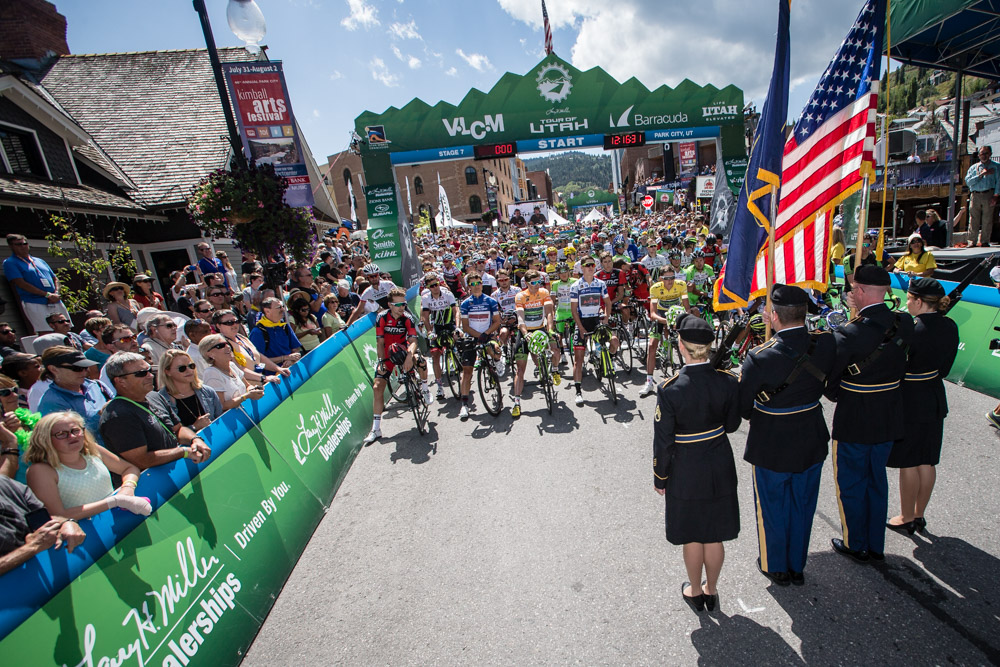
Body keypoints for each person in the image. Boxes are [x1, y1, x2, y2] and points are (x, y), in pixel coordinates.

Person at [737, 285, 837, 586]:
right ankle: (796, 565)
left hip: (772, 436)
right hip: (810, 431)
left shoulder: (759, 356)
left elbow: (744, 406)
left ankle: (775, 565)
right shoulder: (827, 343)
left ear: (774, 316)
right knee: (802, 504)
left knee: (772, 505)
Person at [824, 265, 913, 563]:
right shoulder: (904, 323)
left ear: (860, 291)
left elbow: (832, 383)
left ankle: (855, 542)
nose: (850, 294)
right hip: (889, 411)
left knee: (851, 482)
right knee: (876, 480)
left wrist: (839, 393)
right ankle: (875, 543)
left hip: (855, 414)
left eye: (852, 289)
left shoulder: (851, 333)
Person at [652, 314, 741, 612]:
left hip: (685, 469)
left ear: (681, 346)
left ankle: (694, 590)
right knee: (713, 535)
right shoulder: (728, 381)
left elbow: (663, 440)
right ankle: (711, 590)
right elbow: (731, 425)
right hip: (719, 465)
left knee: (692, 535)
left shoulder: (671, 388)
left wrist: (660, 477)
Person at [886, 278, 959, 534]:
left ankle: (906, 516)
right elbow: (946, 368)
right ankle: (919, 514)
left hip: (910, 397)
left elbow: (897, 366)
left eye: (908, 298)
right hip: (934, 395)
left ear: (918, 301)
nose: (907, 303)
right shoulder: (950, 326)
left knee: (909, 461)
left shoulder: (913, 329)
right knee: (927, 461)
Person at [24, 411, 151, 520]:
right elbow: (57, 515)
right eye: (61, 434)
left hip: (116, 521)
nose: (72, 436)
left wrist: (128, 487)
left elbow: (129, 468)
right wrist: (114, 501)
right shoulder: (40, 471)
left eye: (75, 430)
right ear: (45, 439)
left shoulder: (93, 450)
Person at [99, 351, 211, 470]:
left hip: (175, 472)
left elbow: (177, 429)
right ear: (121, 381)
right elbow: (142, 461)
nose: (151, 376)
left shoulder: (154, 396)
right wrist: (183, 452)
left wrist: (195, 439)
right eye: (142, 373)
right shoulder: (118, 416)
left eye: (149, 370)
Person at [362, 288, 430, 445]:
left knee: (421, 362)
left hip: (405, 349)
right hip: (387, 354)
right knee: (377, 387)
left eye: (404, 303)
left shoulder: (407, 318)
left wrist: (409, 356)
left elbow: (413, 341)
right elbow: (379, 342)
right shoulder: (382, 317)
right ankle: (376, 429)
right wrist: (381, 361)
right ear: (389, 305)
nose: (402, 307)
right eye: (398, 304)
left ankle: (425, 388)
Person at [0, 473, 86, 575]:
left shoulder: (5, 484)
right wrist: (31, 547)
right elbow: (36, 543)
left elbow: (45, 519)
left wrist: (66, 522)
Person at [569, 258, 616, 407]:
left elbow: (608, 303)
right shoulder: (576, 285)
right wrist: (581, 329)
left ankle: (609, 359)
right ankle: (578, 391)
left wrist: (606, 319)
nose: (590, 267)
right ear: (581, 268)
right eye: (587, 265)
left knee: (614, 340)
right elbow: (573, 310)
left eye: (592, 265)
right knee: (579, 359)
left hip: (596, 320)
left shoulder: (600, 283)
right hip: (582, 321)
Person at [3, 234, 71, 335]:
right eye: (18, 244)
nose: (23, 246)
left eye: (25, 243)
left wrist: (56, 293)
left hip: (54, 300)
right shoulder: (10, 262)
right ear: (11, 246)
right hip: (35, 301)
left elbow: (54, 278)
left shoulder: (39, 260)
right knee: (46, 331)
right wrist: (47, 294)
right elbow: (20, 283)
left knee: (66, 327)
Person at [36, 347, 107, 442]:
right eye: (77, 368)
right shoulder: (52, 402)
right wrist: (101, 415)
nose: (84, 372)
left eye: (85, 367)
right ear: (53, 369)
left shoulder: (97, 385)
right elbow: (67, 440)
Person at [513, 270, 559, 417]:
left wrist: (550, 329)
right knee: (520, 370)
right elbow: (520, 318)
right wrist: (526, 335)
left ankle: (554, 370)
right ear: (527, 283)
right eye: (533, 282)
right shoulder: (521, 296)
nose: (536, 284)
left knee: (555, 348)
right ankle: (517, 402)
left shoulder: (544, 292)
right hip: (525, 332)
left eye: (538, 281)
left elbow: (549, 312)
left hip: (541, 328)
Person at [458, 272, 502, 419]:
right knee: (467, 371)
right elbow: (465, 326)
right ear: (469, 286)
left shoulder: (490, 301)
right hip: (472, 337)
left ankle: (496, 361)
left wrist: (487, 333)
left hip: (488, 334)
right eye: (473, 284)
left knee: (496, 350)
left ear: (482, 284)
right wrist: (479, 336)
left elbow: (497, 321)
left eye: (479, 283)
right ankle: (464, 405)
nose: (476, 286)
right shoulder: (465, 303)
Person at [641, 267, 690, 397]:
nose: (670, 281)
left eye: (672, 277)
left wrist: (681, 320)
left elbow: (687, 307)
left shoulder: (681, 285)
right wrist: (666, 321)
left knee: (688, 342)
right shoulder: (655, 288)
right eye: (667, 278)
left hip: (676, 314)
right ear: (661, 279)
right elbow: (652, 314)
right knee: (652, 346)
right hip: (661, 316)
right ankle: (649, 381)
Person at [147, 349, 224, 431]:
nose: (189, 370)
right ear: (167, 372)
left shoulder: (207, 391)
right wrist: (194, 427)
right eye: (182, 368)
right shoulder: (160, 401)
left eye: (191, 366)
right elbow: (169, 435)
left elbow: (220, 420)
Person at [199, 334, 266, 410]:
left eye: (227, 343)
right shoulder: (211, 373)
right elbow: (221, 405)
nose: (227, 347)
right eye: (220, 346)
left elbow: (247, 386)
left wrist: (254, 389)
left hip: (246, 412)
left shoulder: (232, 365)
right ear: (210, 354)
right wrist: (246, 396)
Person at [420, 272, 459, 400]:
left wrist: (457, 327)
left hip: (449, 324)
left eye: (436, 284)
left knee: (458, 340)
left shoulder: (447, 293)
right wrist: (430, 331)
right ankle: (439, 387)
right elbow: (425, 317)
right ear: (428, 288)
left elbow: (455, 311)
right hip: (436, 326)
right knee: (435, 355)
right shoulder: (426, 298)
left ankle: (458, 355)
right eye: (432, 286)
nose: (435, 288)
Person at [249, 297, 301, 367]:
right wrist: (285, 358)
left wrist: (291, 360)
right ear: (267, 311)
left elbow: (296, 348)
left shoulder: (284, 326)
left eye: (282, 306)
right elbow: (258, 359)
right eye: (279, 307)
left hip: (292, 370)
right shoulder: (258, 332)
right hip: (273, 375)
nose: (283, 309)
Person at [964, 145, 999, 247]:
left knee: (987, 219)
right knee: (973, 218)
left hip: (989, 194)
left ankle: (984, 241)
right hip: (975, 194)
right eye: (982, 154)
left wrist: (996, 196)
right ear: (978, 155)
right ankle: (971, 241)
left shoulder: (996, 167)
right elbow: (968, 182)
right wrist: (981, 175)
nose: (984, 156)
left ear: (990, 154)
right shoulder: (973, 168)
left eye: (986, 153)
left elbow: (999, 182)